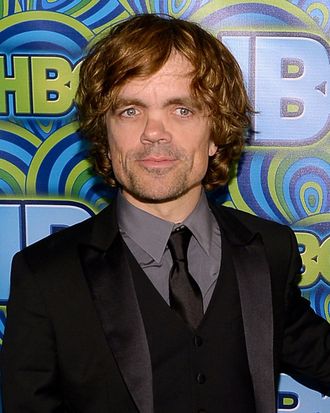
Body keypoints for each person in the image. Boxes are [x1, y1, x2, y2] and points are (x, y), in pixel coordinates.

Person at [1, 13, 330, 413]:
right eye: (130, 111)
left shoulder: (269, 250)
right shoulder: (47, 276)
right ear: (105, 135)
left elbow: (312, 347)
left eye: (182, 110)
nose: (153, 132)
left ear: (216, 134)